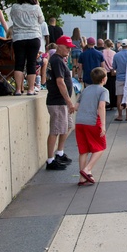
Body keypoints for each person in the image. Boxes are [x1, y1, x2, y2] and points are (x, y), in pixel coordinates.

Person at [44, 36, 77, 171]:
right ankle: (50, 160)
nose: (69, 50)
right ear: (59, 46)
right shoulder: (56, 60)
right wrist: (69, 101)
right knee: (56, 130)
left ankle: (60, 153)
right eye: (67, 47)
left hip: (61, 101)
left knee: (67, 126)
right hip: (57, 101)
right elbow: (60, 81)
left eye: (70, 47)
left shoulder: (59, 60)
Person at [75, 66, 109, 186]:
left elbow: (76, 106)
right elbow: (101, 107)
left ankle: (82, 178)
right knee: (101, 146)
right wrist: (103, 125)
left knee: (83, 150)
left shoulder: (86, 89)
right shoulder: (103, 91)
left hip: (79, 122)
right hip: (93, 121)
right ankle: (87, 169)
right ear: (104, 79)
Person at [9, 0, 44, 95]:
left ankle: (18, 89)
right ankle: (31, 89)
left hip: (19, 37)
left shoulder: (15, 7)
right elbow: (41, 20)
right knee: (31, 63)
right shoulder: (36, 8)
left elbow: (12, 18)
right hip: (33, 36)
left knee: (19, 63)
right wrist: (37, 5)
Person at [112, 39, 127, 122]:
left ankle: (120, 115)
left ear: (121, 45)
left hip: (119, 78)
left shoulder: (116, 55)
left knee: (119, 97)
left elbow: (114, 67)